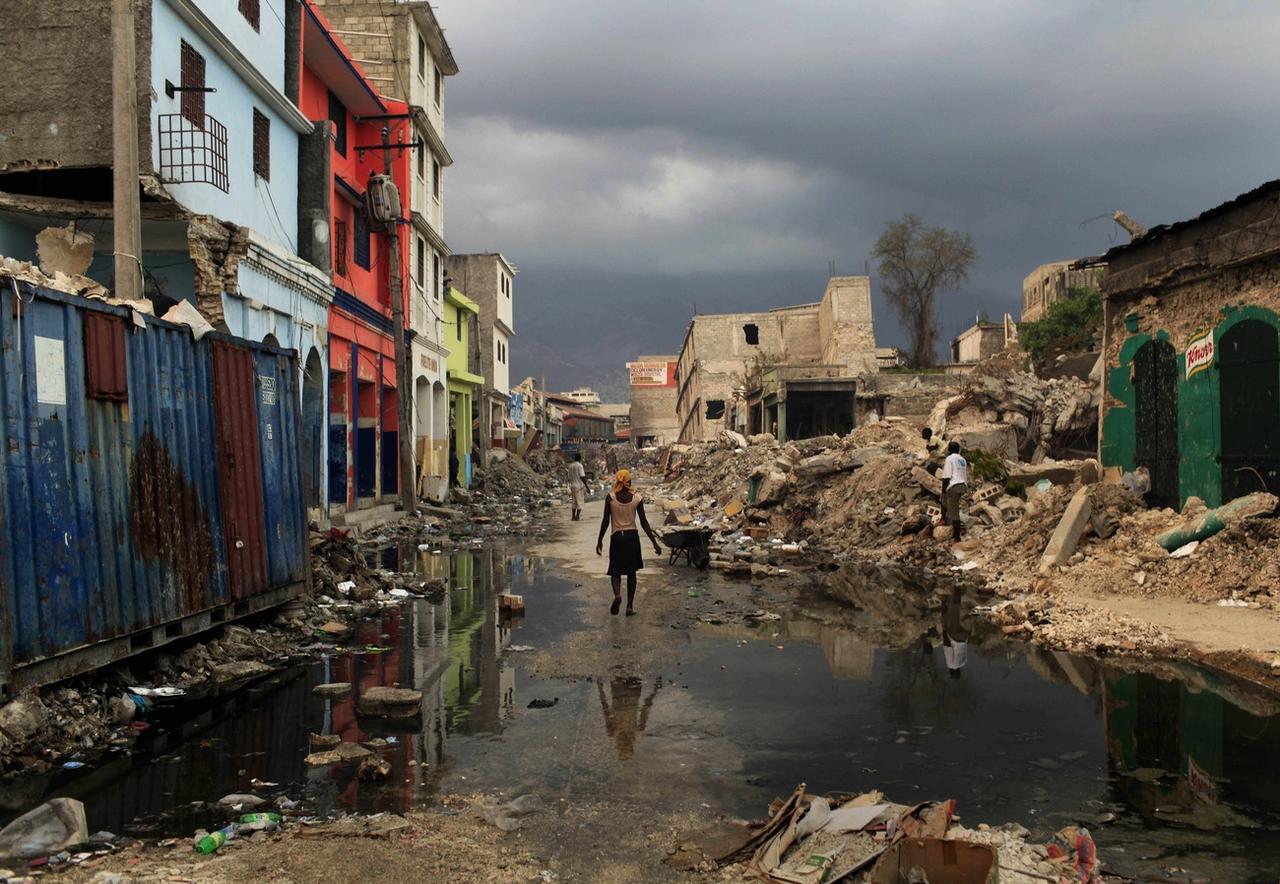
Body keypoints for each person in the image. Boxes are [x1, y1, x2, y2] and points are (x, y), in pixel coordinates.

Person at [596, 468, 662, 616]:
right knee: (632, 573)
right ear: (629, 481)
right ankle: (630, 607)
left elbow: (605, 521)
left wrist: (599, 540)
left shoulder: (611, 497)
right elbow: (644, 522)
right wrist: (654, 543)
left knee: (615, 571)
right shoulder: (637, 498)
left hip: (617, 538)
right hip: (632, 537)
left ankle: (618, 595)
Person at [940, 441, 968, 541]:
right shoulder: (962, 459)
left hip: (954, 486)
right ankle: (945, 521)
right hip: (963, 486)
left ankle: (957, 538)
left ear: (949, 450)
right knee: (951, 507)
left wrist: (943, 491)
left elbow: (947, 476)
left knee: (954, 512)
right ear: (958, 450)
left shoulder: (949, 459)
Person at [566, 452, 587, 521]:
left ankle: (573, 517)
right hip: (579, 486)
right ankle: (577, 516)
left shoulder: (570, 466)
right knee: (580, 502)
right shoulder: (579, 466)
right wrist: (587, 486)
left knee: (574, 502)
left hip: (573, 486)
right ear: (580, 458)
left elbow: (568, 477)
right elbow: (582, 476)